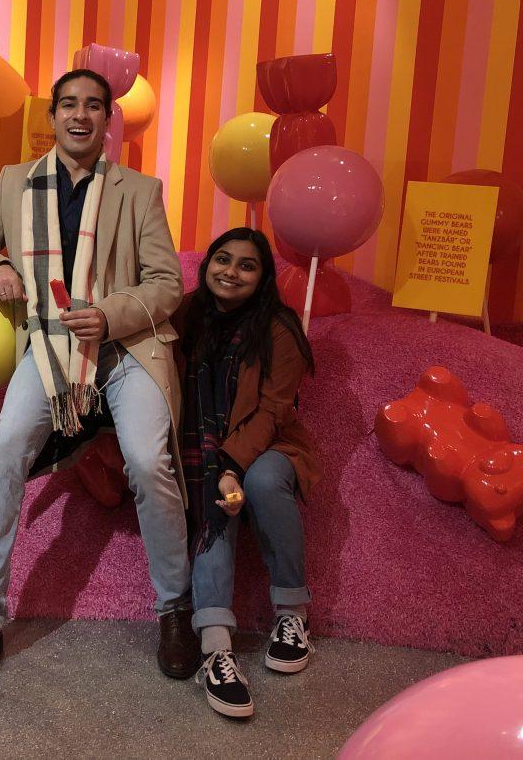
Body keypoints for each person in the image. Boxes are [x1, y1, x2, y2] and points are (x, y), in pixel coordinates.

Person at [0, 69, 198, 698]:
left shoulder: (139, 190)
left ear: (109, 120)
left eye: (93, 106)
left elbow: (167, 283)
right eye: (68, 105)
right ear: (51, 116)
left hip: (127, 346)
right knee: (3, 454)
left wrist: (111, 315)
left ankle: (174, 608)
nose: (80, 116)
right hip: (50, 350)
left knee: (146, 457)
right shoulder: (14, 182)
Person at [181, 227, 319, 719]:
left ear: (262, 278)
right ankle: (216, 649)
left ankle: (291, 615)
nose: (231, 272)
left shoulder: (277, 328)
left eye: (247, 265)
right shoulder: (187, 315)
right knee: (210, 500)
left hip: (269, 444)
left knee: (260, 481)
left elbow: (274, 409)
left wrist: (231, 466)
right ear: (207, 264)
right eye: (223, 259)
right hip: (201, 450)